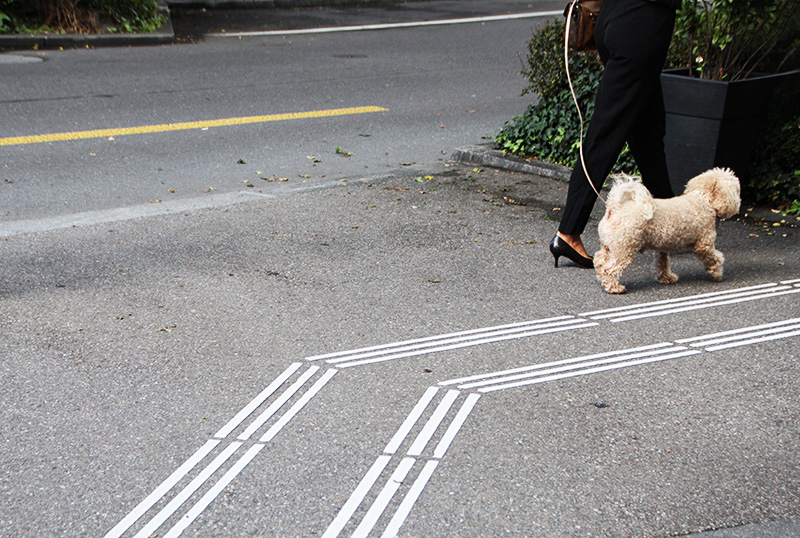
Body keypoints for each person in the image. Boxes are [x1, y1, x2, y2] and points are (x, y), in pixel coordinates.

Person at [550, 0, 682, 269]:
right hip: (643, 21)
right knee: (607, 130)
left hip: (615, 17)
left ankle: (672, 223)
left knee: (647, 127)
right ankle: (568, 231)